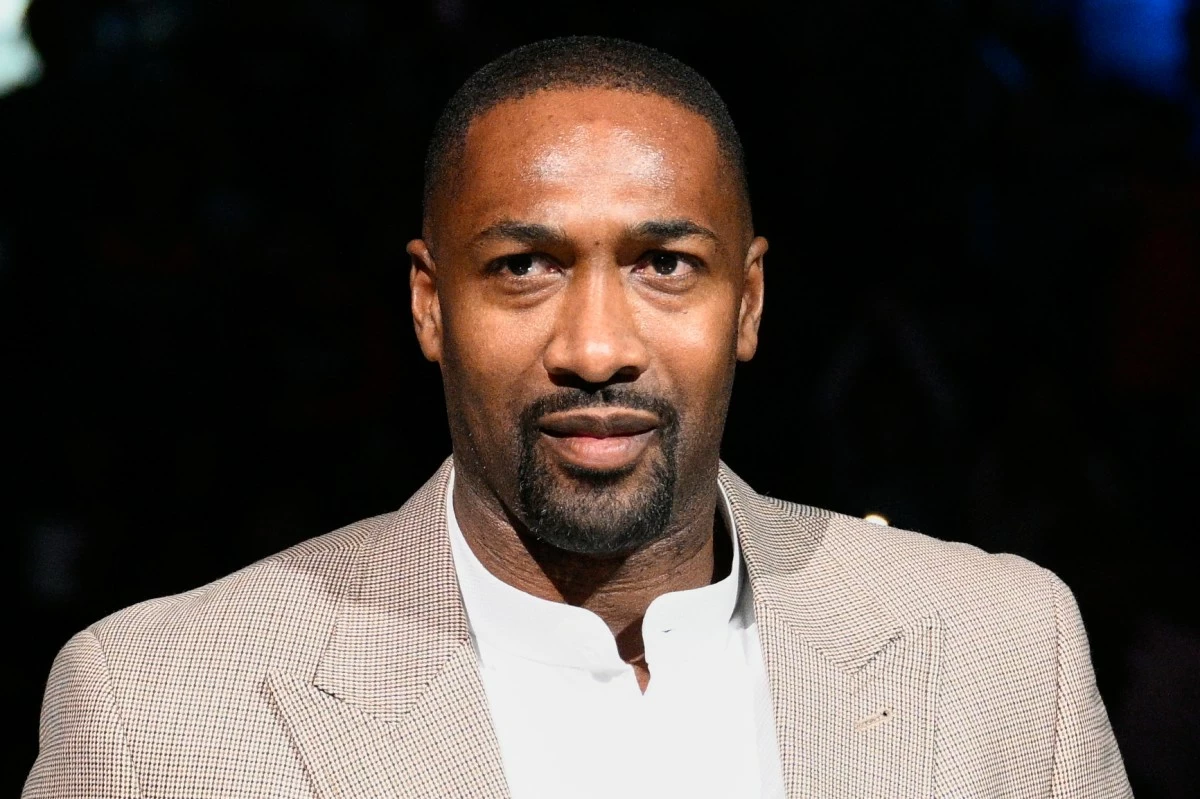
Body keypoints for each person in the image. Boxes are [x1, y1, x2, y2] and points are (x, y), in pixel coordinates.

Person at [24, 36, 1131, 799]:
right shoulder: (157, 711)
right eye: (524, 266)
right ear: (429, 304)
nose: (596, 348)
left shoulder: (1000, 651)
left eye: (665, 264)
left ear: (748, 301)